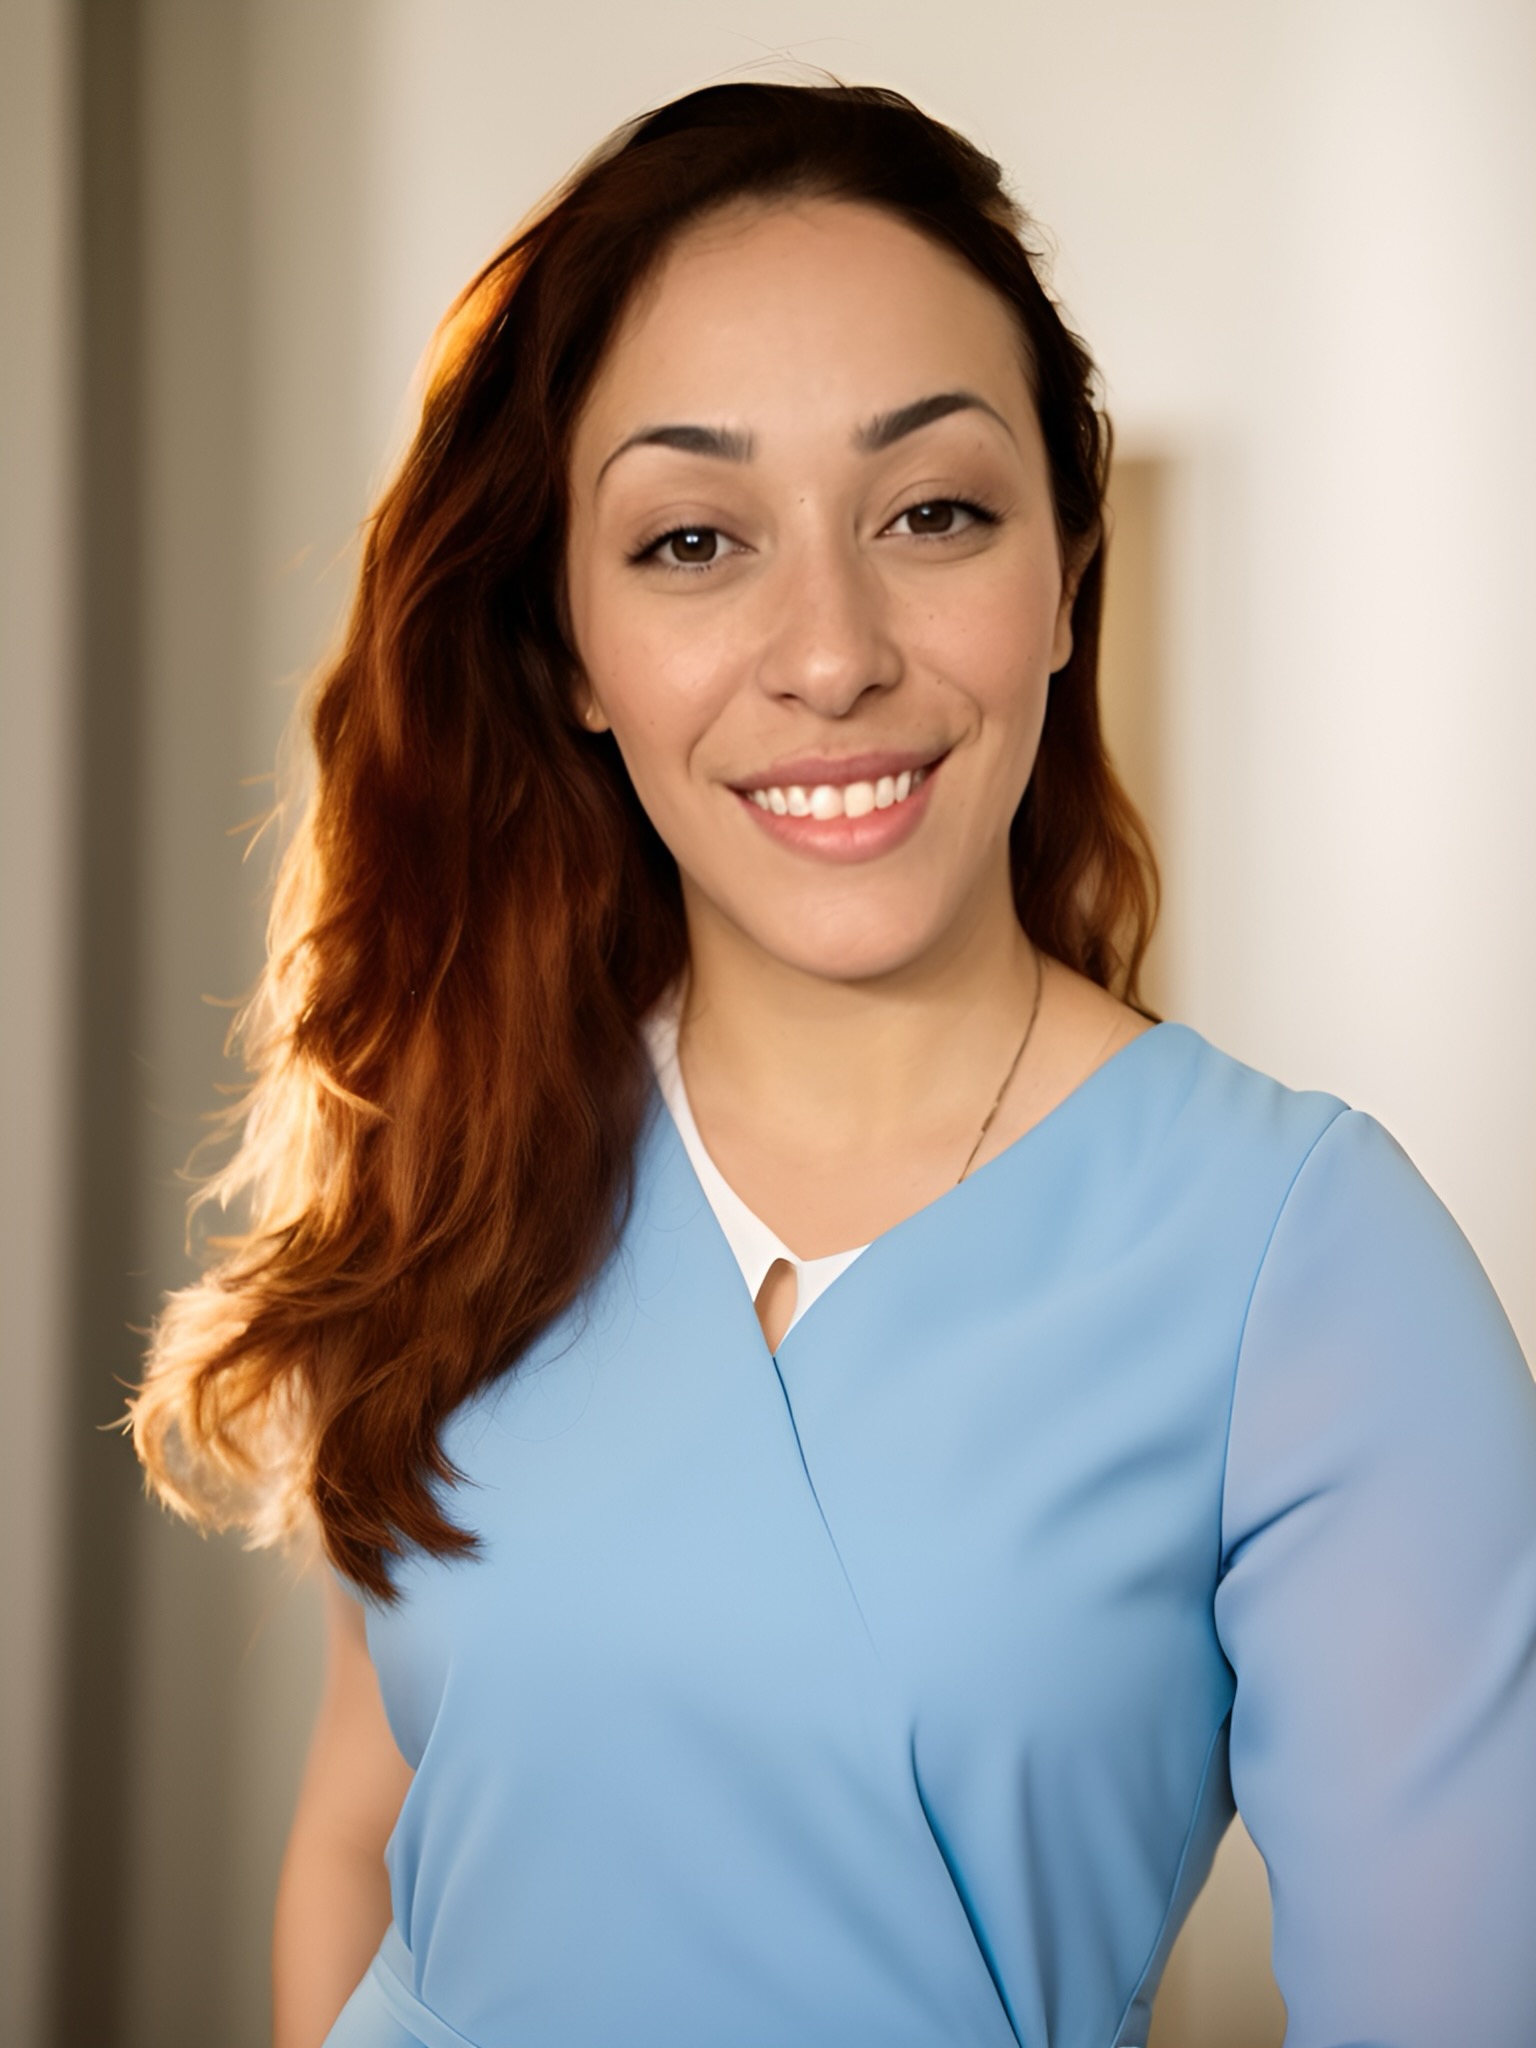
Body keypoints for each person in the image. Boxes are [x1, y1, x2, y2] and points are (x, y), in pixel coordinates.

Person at [130, 81, 1536, 2048]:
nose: (830, 652)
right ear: (571, 648)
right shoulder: (480, 1150)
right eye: (694, 539)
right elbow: (361, 1843)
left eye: (933, 513)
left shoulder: (1309, 1269)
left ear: (1066, 572)